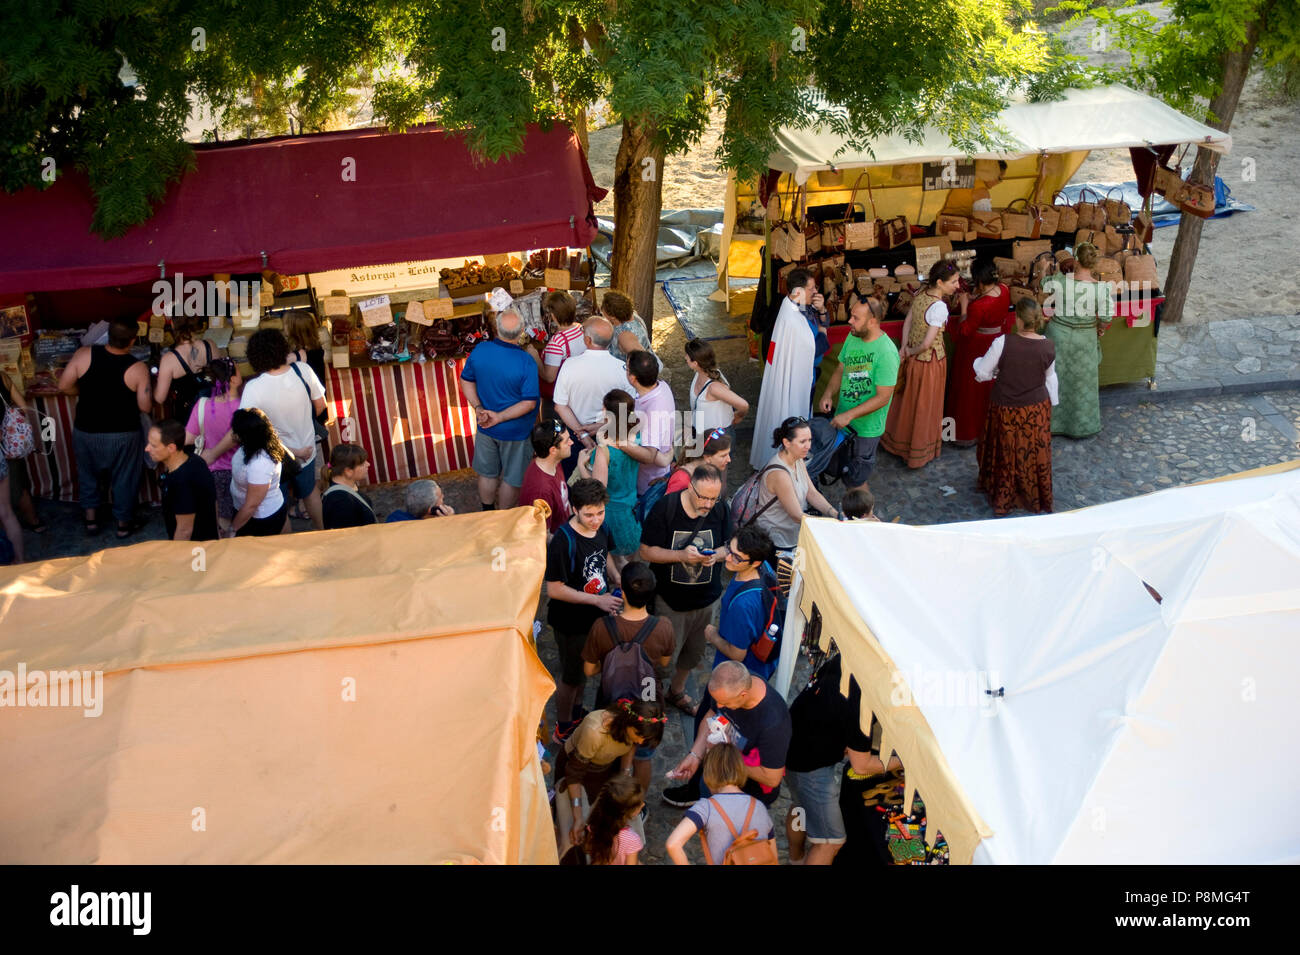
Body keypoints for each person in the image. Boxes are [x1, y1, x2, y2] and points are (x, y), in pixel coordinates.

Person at [784, 651, 898, 865]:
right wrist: (904, 764)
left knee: (800, 806)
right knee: (830, 842)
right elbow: (862, 766)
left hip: (793, 746)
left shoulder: (850, 657)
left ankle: (795, 858)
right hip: (811, 767)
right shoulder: (862, 706)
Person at [637, 464, 733, 718]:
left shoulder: (720, 509)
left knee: (692, 655)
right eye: (703, 497)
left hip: (706, 601)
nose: (708, 505)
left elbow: (729, 546)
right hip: (670, 602)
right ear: (690, 487)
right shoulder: (666, 508)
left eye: (713, 498)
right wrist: (681, 555)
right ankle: (649, 700)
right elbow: (646, 551)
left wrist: (718, 557)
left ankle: (676, 692)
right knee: (659, 659)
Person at [218, 329, 327, 530]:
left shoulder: (254, 387)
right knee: (310, 492)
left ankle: (286, 548)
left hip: (275, 457)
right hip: (307, 448)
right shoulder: (302, 369)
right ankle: (322, 532)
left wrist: (212, 453)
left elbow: (242, 428)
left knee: (278, 504)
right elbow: (320, 405)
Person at [581, 561, 675, 791]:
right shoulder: (663, 627)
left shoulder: (602, 627)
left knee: (608, 748)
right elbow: (664, 663)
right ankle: (637, 804)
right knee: (643, 757)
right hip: (648, 700)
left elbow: (589, 670)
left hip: (611, 700)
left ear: (621, 591)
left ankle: (606, 796)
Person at [58, 316, 152, 538]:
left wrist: (83, 392)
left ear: (108, 335)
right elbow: (145, 406)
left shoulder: (84, 355)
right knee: (124, 478)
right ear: (132, 340)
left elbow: (63, 386)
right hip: (123, 434)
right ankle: (123, 526)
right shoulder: (138, 368)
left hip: (86, 430)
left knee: (87, 475)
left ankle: (91, 522)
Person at [545, 479, 623, 735]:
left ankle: (577, 713)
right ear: (574, 509)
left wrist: (616, 576)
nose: (596, 519)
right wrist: (597, 600)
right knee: (571, 678)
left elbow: (605, 555)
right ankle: (564, 726)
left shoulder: (602, 527)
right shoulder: (562, 541)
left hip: (594, 618)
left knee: (583, 673)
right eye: (589, 514)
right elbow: (554, 589)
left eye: (600, 512)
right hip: (571, 623)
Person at [664, 660, 791, 810]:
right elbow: (711, 715)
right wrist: (695, 755)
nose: (719, 707)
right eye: (717, 701)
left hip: (746, 795)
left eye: (724, 703)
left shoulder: (773, 723)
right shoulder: (725, 687)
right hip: (718, 775)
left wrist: (726, 757)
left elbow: (771, 778)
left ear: (743, 695)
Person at [974, 297, 1060, 516]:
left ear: (1019, 320)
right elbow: (1051, 378)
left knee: (1006, 451)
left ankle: (1005, 492)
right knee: (1033, 452)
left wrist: (983, 366)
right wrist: (1052, 404)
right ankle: (1033, 493)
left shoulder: (1002, 342)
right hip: (1036, 408)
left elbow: (982, 373)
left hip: (1007, 407)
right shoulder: (1048, 346)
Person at [554, 699, 664, 853]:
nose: (640, 741)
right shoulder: (595, 732)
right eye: (639, 735)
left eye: (644, 740)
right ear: (627, 721)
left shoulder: (635, 733)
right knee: (572, 837)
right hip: (574, 775)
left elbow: (630, 746)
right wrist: (577, 816)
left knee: (615, 825)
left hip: (605, 772)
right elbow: (574, 774)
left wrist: (624, 777)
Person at [458, 307, 541, 510]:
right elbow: (529, 402)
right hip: (516, 432)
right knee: (512, 479)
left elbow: (465, 380)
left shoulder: (480, 350)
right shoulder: (526, 361)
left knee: (487, 474)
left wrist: (479, 408)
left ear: (497, 329)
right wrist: (500, 416)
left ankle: (488, 512)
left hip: (486, 425)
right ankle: (503, 517)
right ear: (522, 332)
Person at [882, 259, 959, 469]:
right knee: (925, 406)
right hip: (929, 363)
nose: (958, 285)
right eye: (954, 281)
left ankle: (898, 443)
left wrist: (905, 348)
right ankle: (918, 451)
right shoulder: (939, 307)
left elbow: (908, 321)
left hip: (914, 359)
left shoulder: (922, 293)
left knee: (908, 402)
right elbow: (926, 344)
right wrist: (912, 351)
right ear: (941, 282)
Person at [817, 294, 899, 493]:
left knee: (855, 480)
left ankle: (862, 516)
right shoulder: (853, 336)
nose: (849, 321)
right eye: (851, 315)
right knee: (848, 474)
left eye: (856, 318)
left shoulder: (887, 352)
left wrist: (849, 415)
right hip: (846, 422)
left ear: (872, 321)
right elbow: (840, 368)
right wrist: (828, 393)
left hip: (865, 431)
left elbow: (883, 397)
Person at [749, 268, 827, 470]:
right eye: (811, 288)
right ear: (798, 291)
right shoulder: (793, 321)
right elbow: (816, 347)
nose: (815, 292)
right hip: (796, 382)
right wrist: (823, 327)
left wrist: (822, 311)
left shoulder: (792, 305)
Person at [1041, 241, 1114, 439]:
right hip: (1085, 339)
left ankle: (1051, 423)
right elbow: (1107, 317)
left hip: (1058, 337)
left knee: (1056, 379)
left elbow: (1043, 285)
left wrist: (1043, 269)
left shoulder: (1061, 281)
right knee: (1082, 383)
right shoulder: (1101, 289)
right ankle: (1081, 427)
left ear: (1076, 259)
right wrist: (1099, 330)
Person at [665, 744, 777, 865]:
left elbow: (672, 844)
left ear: (708, 772)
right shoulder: (759, 807)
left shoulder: (706, 807)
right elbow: (773, 856)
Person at [945, 260, 1014, 447]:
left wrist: (965, 305)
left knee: (969, 392)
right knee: (989, 389)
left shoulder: (979, 306)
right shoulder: (1004, 290)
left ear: (979, 281)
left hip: (976, 349)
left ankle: (964, 434)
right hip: (996, 344)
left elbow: (964, 331)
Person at [553, 317, 631, 477]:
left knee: (573, 483)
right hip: (612, 437)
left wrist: (582, 435)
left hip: (575, 435)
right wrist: (605, 425)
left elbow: (560, 406)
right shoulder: (622, 369)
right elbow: (629, 407)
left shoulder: (569, 365)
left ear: (587, 340)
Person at [704, 526, 780, 680]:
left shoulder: (742, 605)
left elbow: (737, 654)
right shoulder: (764, 568)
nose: (727, 558)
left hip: (736, 674)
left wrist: (712, 636)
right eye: (729, 550)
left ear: (755, 562)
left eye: (737, 557)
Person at [754, 417, 838, 553]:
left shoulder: (798, 460)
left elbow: (812, 493)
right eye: (802, 441)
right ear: (786, 442)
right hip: (777, 541)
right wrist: (829, 525)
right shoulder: (780, 474)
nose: (808, 446)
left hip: (792, 535)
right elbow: (796, 515)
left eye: (810, 440)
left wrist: (833, 513)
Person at [586, 390, 650, 565]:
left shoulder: (604, 450)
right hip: (633, 508)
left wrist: (581, 466)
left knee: (617, 563)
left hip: (612, 514)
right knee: (634, 562)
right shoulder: (635, 436)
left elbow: (597, 490)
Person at [187, 357, 241, 537]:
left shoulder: (202, 405)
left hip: (213, 472)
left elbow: (188, 438)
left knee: (221, 517)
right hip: (239, 470)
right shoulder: (243, 406)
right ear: (233, 379)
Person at [145, 419, 218, 541]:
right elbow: (213, 500)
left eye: (153, 445)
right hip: (209, 545)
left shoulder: (180, 481)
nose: (147, 449)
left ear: (171, 448)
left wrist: (176, 557)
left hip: (194, 553)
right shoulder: (195, 460)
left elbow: (184, 530)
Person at [228, 407, 288, 537]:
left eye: (237, 432)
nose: (233, 434)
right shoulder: (255, 445)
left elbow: (252, 505)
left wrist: (233, 529)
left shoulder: (260, 464)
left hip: (260, 520)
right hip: (246, 513)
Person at [154, 314, 222, 425]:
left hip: (188, 419)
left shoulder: (168, 359)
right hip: (213, 411)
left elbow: (160, 398)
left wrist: (156, 382)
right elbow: (222, 377)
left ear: (172, 324)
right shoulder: (210, 345)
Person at [626, 350, 676, 494]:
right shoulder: (661, 386)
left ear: (633, 378)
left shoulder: (653, 411)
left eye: (627, 369)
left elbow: (649, 455)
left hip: (648, 483)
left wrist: (620, 442)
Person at [1, 370, 44, 535]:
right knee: (19, 483)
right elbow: (23, 406)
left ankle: (25, 523)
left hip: (4, 445)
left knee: (15, 488)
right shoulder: (3, 376)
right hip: (13, 444)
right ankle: (34, 520)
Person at [518, 418, 572, 536]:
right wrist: (570, 544)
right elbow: (543, 535)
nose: (571, 443)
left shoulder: (554, 462)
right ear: (553, 450)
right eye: (567, 441)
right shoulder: (540, 491)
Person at [685, 338, 747, 438]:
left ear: (695, 363)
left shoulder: (714, 388)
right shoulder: (700, 372)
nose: (685, 357)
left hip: (716, 438)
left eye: (687, 356)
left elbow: (743, 405)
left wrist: (737, 417)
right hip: (702, 433)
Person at [578, 776, 646, 866]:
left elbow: (591, 851)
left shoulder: (596, 824)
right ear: (629, 811)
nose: (643, 804)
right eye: (639, 804)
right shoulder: (632, 839)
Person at [539, 291, 585, 406]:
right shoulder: (580, 328)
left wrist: (534, 356)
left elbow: (549, 377)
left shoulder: (557, 342)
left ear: (553, 315)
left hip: (559, 398)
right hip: (577, 390)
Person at [321, 443, 376, 529]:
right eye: (362, 464)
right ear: (348, 471)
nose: (368, 464)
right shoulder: (341, 502)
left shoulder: (348, 488)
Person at [601, 289, 658, 367]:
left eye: (603, 311)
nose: (602, 311)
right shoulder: (632, 315)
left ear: (613, 316)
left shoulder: (625, 336)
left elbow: (643, 363)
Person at [665, 428, 732, 494]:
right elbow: (668, 504)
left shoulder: (717, 467)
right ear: (707, 458)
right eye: (723, 456)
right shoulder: (681, 479)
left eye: (728, 453)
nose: (729, 460)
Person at [285, 310, 327, 384]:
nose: (284, 327)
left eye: (286, 324)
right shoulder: (315, 347)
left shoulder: (300, 353)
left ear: (294, 329)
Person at [384, 478, 454, 521]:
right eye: (440, 497)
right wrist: (449, 522)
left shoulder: (393, 518)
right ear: (431, 510)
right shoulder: (433, 528)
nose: (443, 496)